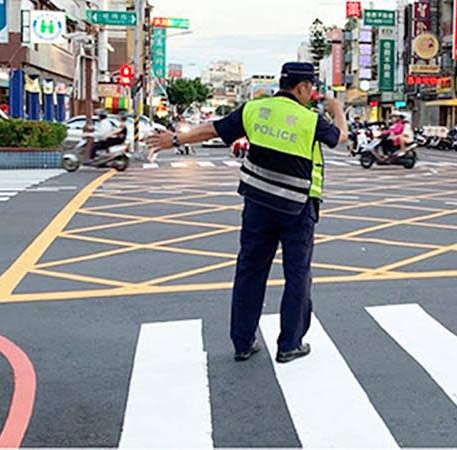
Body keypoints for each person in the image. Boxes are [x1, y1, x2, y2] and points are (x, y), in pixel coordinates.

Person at [146, 62, 347, 364]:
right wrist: (338, 109)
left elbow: (212, 129)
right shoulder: (310, 119)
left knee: (250, 271)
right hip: (297, 208)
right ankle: (289, 345)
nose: (313, 94)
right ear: (302, 87)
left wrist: (173, 140)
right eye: (312, 88)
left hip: (257, 205)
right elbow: (340, 137)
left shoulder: (254, 109)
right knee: (297, 276)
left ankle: (243, 343)